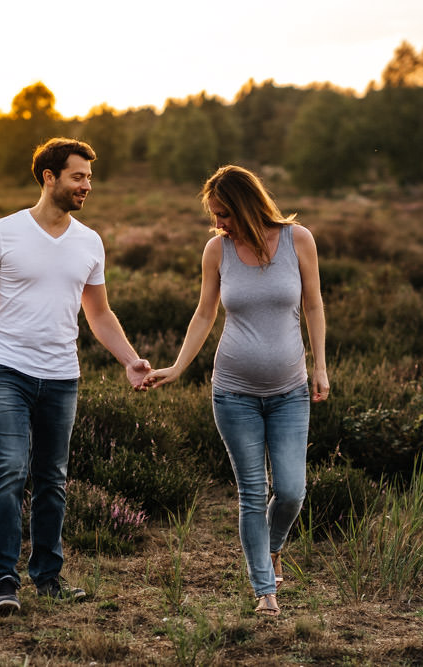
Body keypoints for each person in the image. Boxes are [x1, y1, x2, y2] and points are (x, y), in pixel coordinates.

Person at [0, 138, 151, 615]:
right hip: (4, 367)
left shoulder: (89, 241)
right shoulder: (1, 234)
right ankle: (3, 580)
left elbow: (99, 313)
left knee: (52, 479)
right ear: (49, 177)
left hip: (62, 375)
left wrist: (129, 359)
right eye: (78, 176)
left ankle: (48, 577)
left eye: (88, 176)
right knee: (11, 469)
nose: (87, 185)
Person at [144, 165, 329, 618]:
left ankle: (273, 546)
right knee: (251, 492)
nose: (219, 223)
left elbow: (313, 303)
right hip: (233, 392)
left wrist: (321, 365)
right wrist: (178, 366)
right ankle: (265, 591)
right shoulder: (217, 251)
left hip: (290, 390)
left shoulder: (297, 239)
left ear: (246, 205)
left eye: (224, 214)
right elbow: (204, 313)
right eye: (214, 216)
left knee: (290, 490)